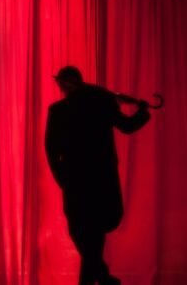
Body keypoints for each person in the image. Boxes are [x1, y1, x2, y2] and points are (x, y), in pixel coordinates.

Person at [45, 66, 151, 285]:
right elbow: (128, 125)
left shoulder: (61, 110)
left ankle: (102, 279)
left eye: (61, 81)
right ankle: (104, 278)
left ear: (68, 82)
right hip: (95, 182)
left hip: (82, 183)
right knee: (90, 237)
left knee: (85, 235)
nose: (59, 85)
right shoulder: (99, 102)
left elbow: (51, 150)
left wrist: (62, 179)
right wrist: (143, 112)